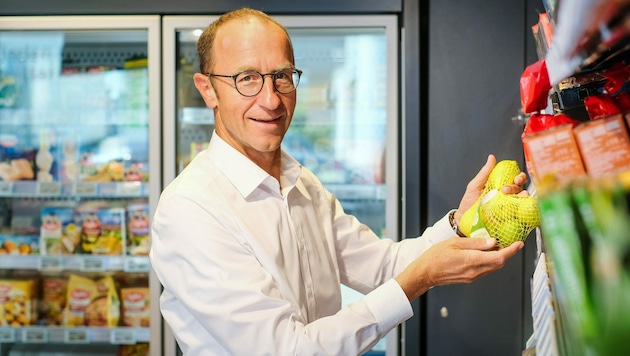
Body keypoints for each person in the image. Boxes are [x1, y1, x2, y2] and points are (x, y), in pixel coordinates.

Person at [150, 7, 527, 355]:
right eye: (246, 78)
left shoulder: (302, 185)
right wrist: (416, 281)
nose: (270, 99)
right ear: (207, 89)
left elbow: (382, 267)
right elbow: (287, 350)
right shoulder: (192, 209)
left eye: (281, 76)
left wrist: (460, 224)